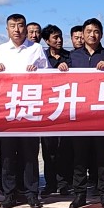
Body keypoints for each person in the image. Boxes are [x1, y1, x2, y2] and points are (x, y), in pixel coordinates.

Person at [0, 13, 48, 208]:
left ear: (26, 28)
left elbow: (48, 75)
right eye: (12, 26)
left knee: (30, 154)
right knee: (7, 154)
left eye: (20, 25)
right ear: (7, 29)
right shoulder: (0, 50)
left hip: (29, 109)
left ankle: (32, 193)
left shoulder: (36, 48)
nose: (17, 30)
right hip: (7, 110)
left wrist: (38, 70)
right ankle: (9, 194)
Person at [66, 18, 104, 208]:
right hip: (80, 115)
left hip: (101, 115)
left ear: (101, 34)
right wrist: (62, 69)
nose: (92, 35)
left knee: (102, 157)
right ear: (82, 33)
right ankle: (80, 194)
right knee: (79, 158)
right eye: (88, 31)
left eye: (96, 31)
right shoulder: (73, 56)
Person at [39, 24, 74, 196]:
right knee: (48, 150)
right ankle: (50, 183)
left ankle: (64, 183)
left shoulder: (69, 57)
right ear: (47, 40)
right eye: (55, 37)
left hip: (65, 109)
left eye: (60, 37)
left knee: (65, 149)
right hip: (47, 110)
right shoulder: (42, 57)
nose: (59, 40)